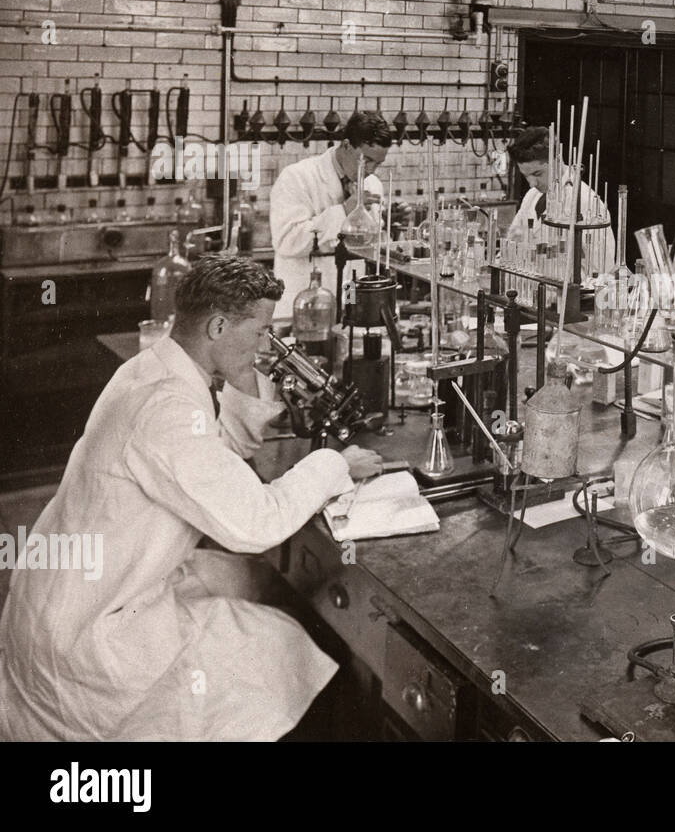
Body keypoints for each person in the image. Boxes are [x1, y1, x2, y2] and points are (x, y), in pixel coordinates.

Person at [0, 257, 384, 740]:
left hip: (68, 598)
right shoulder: (167, 409)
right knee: (284, 649)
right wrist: (336, 465)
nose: (268, 345)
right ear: (218, 325)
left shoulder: (153, 369)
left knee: (258, 587)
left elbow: (210, 453)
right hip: (85, 641)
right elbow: (253, 525)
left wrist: (243, 370)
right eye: (262, 332)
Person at [269, 111, 391, 319]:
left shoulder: (372, 185)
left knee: (350, 339)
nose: (371, 170)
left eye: (378, 163)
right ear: (346, 145)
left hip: (350, 293)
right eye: (367, 160)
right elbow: (286, 241)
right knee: (308, 348)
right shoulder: (297, 177)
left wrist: (388, 224)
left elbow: (368, 248)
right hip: (304, 302)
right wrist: (343, 212)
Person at [504, 126, 615, 278]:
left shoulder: (586, 202)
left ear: (556, 160)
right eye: (526, 176)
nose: (531, 183)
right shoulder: (532, 196)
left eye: (537, 174)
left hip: (571, 299)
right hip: (534, 293)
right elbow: (514, 241)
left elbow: (602, 271)